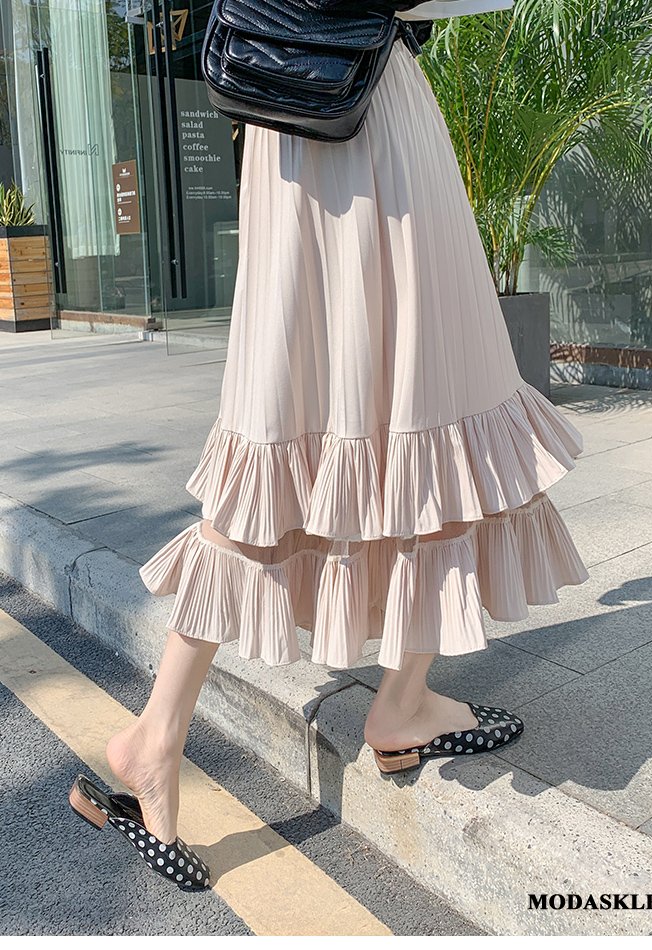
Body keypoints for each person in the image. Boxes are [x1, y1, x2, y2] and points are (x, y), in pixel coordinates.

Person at [69, 0, 589, 888]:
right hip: (366, 109)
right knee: (438, 399)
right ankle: (398, 703)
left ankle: (162, 733)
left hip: (292, 123)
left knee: (293, 428)